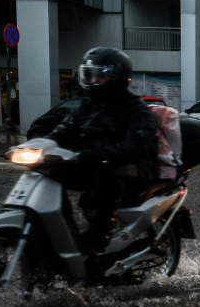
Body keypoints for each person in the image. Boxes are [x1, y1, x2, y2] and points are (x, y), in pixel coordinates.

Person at [46, 47, 158, 255]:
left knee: (108, 174)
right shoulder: (87, 107)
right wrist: (38, 146)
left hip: (136, 169)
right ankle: (65, 233)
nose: (94, 80)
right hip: (94, 163)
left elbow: (136, 144)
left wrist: (102, 153)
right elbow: (62, 132)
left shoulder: (136, 108)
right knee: (49, 172)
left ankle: (100, 234)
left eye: (101, 75)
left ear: (118, 76)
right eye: (90, 75)